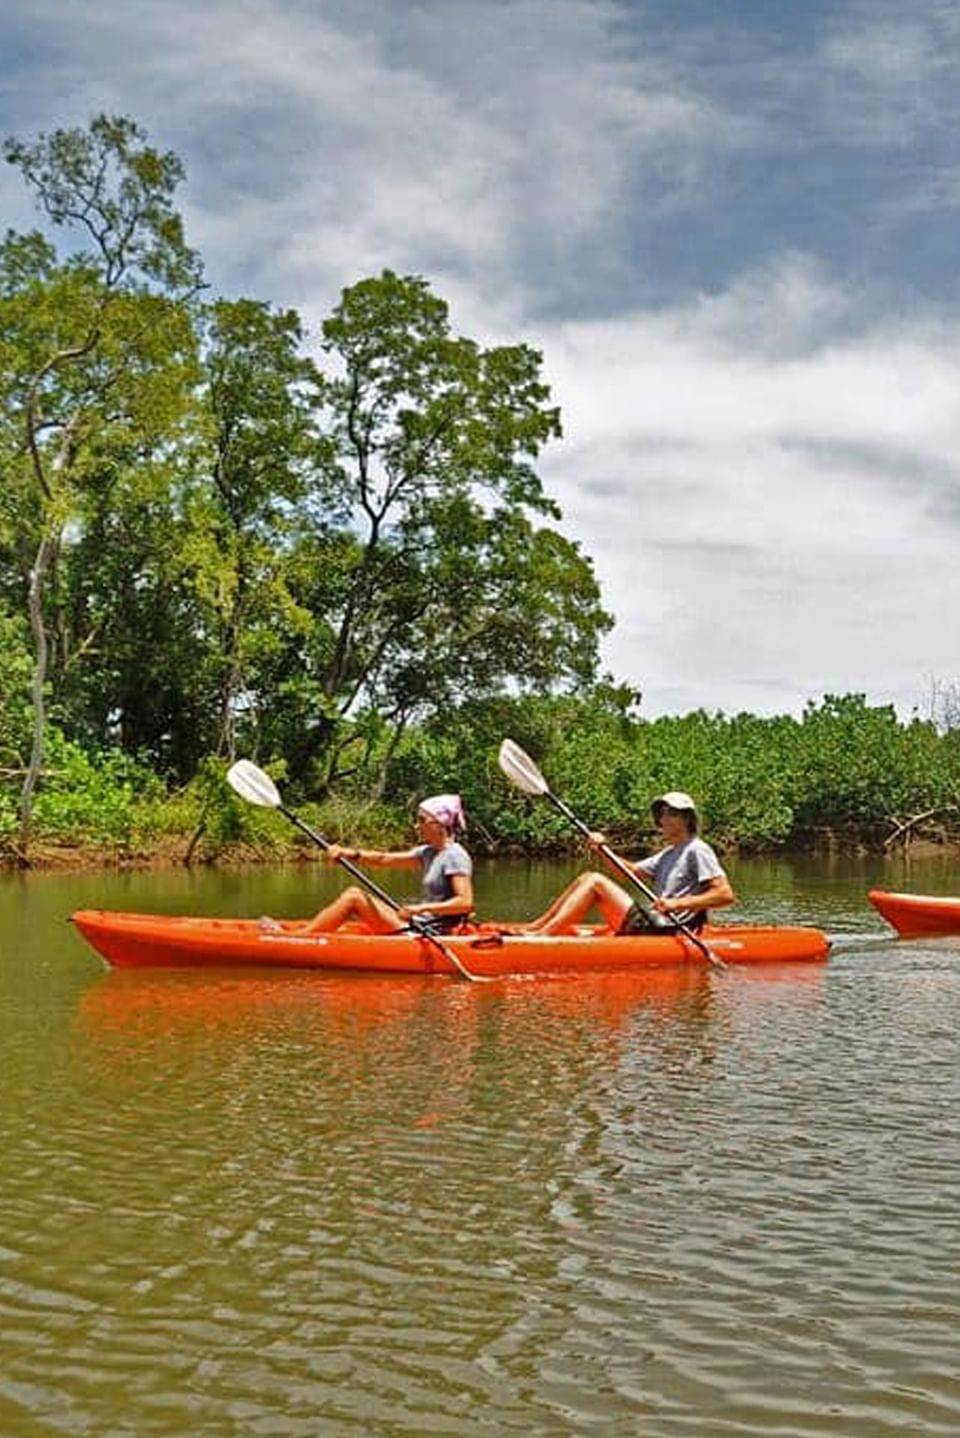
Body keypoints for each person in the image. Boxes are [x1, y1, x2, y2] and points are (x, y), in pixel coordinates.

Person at [521, 790, 734, 935]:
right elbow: (629, 872)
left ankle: (544, 935)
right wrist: (603, 850)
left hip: (670, 928)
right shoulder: (668, 853)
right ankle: (535, 927)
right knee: (587, 877)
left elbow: (725, 895)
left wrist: (676, 904)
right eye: (662, 814)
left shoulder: (697, 849)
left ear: (688, 818)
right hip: (655, 921)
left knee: (595, 881)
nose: (664, 819)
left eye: (672, 814)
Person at [288, 794, 474, 936]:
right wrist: (349, 853)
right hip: (418, 922)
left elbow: (465, 903)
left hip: (430, 932)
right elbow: (384, 859)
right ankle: (306, 934)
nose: (416, 826)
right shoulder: (428, 852)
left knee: (355, 897)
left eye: (421, 820)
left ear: (439, 823)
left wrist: (419, 909)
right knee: (355, 895)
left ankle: (300, 938)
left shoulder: (455, 856)